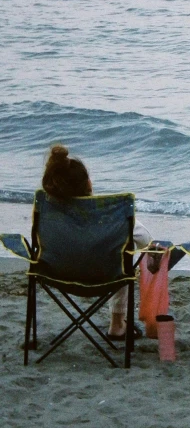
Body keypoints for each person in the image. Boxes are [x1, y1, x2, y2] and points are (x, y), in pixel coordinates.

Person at [41, 144, 153, 339]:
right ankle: (117, 324)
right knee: (123, 258)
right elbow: (147, 242)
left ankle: (117, 324)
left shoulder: (46, 212)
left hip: (55, 274)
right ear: (87, 185)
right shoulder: (110, 217)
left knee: (119, 255)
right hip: (104, 277)